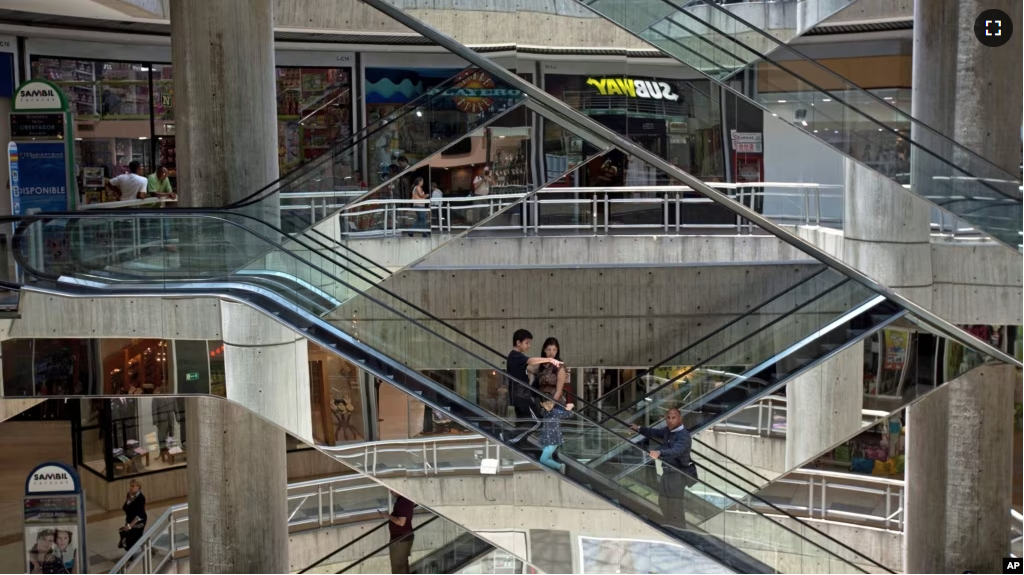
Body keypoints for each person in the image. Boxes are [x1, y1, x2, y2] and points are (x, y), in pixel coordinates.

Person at [629, 408, 697, 531]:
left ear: (680, 419)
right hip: (667, 472)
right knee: (663, 501)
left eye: (673, 418)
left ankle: (680, 531)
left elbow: (676, 451)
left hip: (677, 475)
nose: (670, 421)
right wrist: (639, 428)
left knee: (675, 504)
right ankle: (670, 526)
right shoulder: (668, 430)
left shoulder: (684, 436)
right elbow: (655, 432)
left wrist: (659, 452)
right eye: (668, 418)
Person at [506, 329, 561, 441]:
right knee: (536, 422)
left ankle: (519, 442)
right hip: (521, 397)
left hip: (520, 396)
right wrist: (549, 359)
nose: (529, 346)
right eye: (527, 343)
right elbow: (531, 361)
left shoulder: (516, 359)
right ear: (518, 343)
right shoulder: (516, 356)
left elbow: (531, 369)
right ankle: (510, 437)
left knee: (524, 422)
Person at [537, 387, 575, 474]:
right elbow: (541, 412)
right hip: (546, 439)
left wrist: (570, 408)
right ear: (542, 404)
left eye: (550, 402)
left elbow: (568, 415)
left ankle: (560, 466)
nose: (548, 404)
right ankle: (553, 470)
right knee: (548, 458)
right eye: (546, 403)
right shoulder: (544, 412)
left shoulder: (555, 412)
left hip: (553, 440)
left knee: (543, 459)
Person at [380, 491, 415, 573]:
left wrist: (388, 516)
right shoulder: (404, 499)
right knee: (402, 564)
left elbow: (401, 522)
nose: (390, 492)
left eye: (392, 490)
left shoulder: (403, 502)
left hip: (400, 539)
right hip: (402, 537)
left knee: (398, 566)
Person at [533, 337, 570, 403]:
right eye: (549, 349)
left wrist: (551, 404)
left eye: (554, 350)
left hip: (554, 400)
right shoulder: (542, 365)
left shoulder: (560, 367)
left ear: (557, 350)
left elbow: (559, 390)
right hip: (541, 399)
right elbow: (531, 368)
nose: (551, 352)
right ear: (544, 350)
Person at [119, 479, 147, 552]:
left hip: (137, 522)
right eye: (130, 486)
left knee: (133, 538)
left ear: (138, 487)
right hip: (129, 519)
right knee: (129, 537)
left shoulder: (141, 498)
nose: (130, 488)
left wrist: (129, 526)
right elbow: (126, 507)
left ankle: (130, 557)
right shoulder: (129, 494)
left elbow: (139, 515)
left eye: (132, 486)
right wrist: (129, 499)